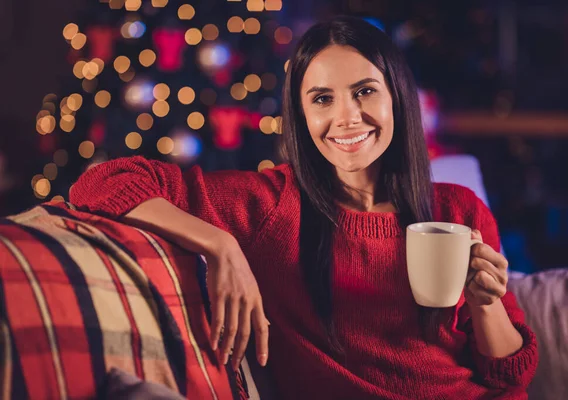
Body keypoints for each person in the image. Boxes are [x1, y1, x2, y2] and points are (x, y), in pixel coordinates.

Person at [70, 16, 538, 400]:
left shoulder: (459, 209)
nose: (346, 117)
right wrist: (218, 242)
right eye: (321, 99)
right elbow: (103, 181)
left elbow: (510, 377)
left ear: (397, 96)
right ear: (301, 113)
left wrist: (487, 303)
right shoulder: (271, 205)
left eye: (365, 91)